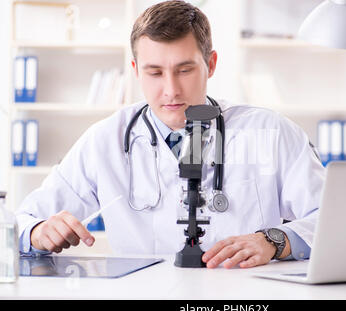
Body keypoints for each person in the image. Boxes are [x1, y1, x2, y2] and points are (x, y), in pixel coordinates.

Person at [15, 0, 326, 269]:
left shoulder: (270, 133)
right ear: (135, 71)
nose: (171, 90)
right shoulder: (105, 141)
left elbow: (334, 220)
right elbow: (22, 221)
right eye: (154, 72)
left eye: (185, 70)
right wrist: (38, 232)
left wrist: (274, 240)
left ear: (211, 64)